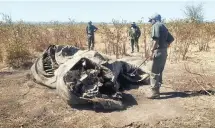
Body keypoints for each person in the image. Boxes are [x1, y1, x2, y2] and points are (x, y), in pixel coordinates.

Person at [148, 13, 171, 99]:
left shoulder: (156, 25)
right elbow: (171, 38)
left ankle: (154, 93)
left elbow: (156, 39)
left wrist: (152, 50)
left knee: (154, 72)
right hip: (164, 52)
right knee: (159, 71)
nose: (151, 22)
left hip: (158, 51)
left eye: (151, 20)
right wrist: (164, 45)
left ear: (154, 19)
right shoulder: (164, 26)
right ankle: (157, 90)